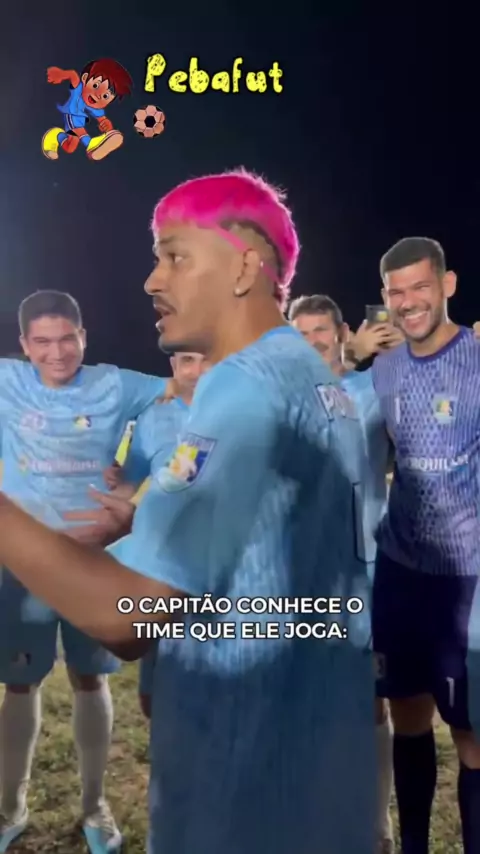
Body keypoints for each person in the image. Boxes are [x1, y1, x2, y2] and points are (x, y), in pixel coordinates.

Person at [0, 170, 377, 854]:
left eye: (174, 255)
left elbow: (129, 617)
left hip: (240, 790)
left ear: (244, 268)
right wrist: (145, 525)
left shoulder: (243, 389)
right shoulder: (313, 377)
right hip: (314, 771)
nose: (152, 279)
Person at [0, 290, 171, 853]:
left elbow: (183, 390)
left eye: (66, 339)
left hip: (93, 565)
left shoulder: (116, 384)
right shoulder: (6, 381)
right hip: (23, 565)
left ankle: (95, 805)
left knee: (90, 679)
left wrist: (135, 473)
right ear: (24, 345)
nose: (57, 353)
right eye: (42, 342)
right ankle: (10, 807)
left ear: (83, 336)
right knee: (20, 683)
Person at [371, 236, 480, 854]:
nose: (408, 301)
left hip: (466, 578)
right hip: (400, 570)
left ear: (447, 285)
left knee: (470, 734)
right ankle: (413, 845)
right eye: (396, 291)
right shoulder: (382, 369)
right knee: (407, 716)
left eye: (420, 287)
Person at [289, 293, 394, 854]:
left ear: (342, 332)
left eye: (320, 332)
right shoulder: (283, 398)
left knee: (372, 700)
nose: (312, 343)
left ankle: (377, 822)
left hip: (370, 572)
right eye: (300, 334)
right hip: (305, 573)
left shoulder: (371, 388)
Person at [108, 350, 210, 718]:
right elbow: (128, 482)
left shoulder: (241, 410)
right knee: (156, 689)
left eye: (205, 361)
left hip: (225, 565)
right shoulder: (155, 416)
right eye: (187, 361)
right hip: (165, 565)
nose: (196, 371)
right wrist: (106, 482)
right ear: (174, 367)